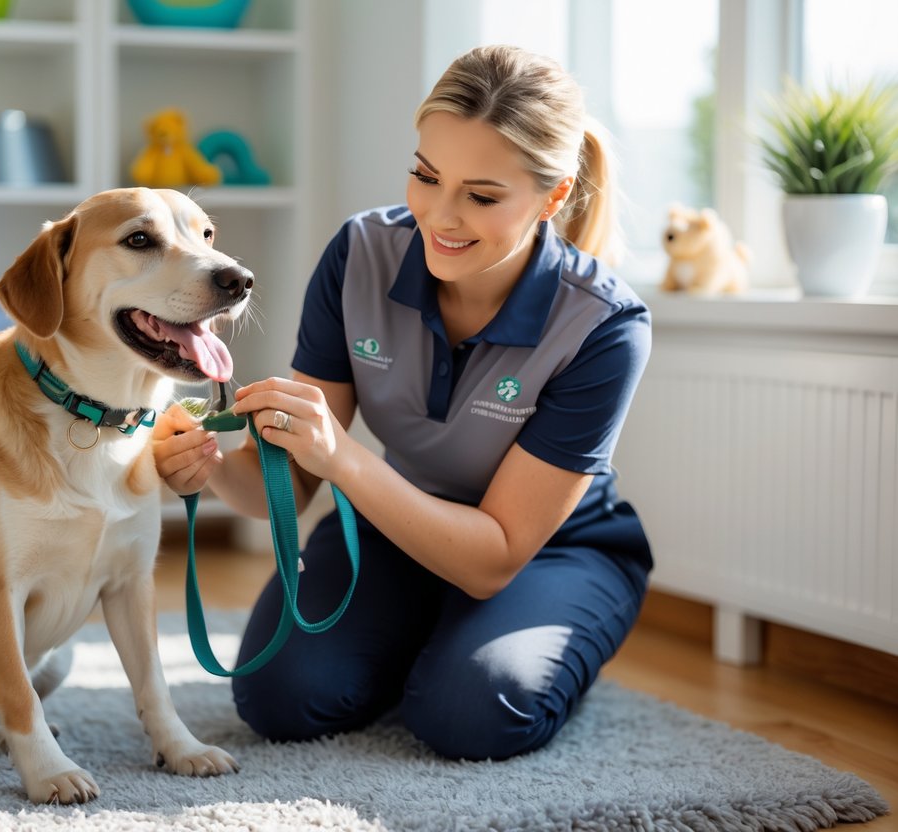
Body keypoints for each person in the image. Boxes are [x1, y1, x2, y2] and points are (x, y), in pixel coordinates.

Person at [153, 44, 653, 761]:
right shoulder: (360, 254)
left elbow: (493, 558)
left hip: (548, 553)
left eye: (481, 196)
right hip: (390, 529)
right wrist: (209, 469)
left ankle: (506, 639)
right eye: (425, 175)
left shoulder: (604, 326)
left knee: (472, 713)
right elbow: (287, 484)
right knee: (280, 697)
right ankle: (432, 632)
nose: (438, 217)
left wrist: (344, 458)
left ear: (550, 197)